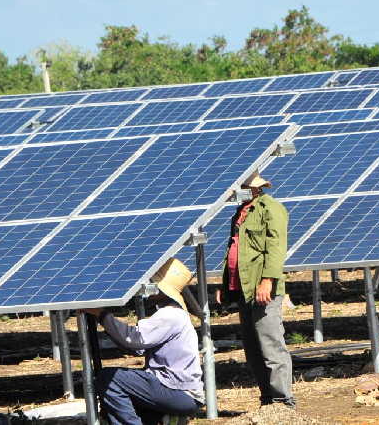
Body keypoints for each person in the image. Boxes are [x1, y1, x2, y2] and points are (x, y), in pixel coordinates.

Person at [83, 257, 204, 425]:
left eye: (153, 282)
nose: (148, 286)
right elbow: (136, 349)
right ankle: (163, 419)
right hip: (180, 392)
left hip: (178, 392)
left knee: (108, 378)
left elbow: (134, 339)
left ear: (163, 289)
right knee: (125, 390)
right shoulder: (173, 314)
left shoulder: (170, 316)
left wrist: (102, 315)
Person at [215, 171, 294, 407]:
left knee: (270, 345)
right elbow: (235, 252)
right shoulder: (240, 213)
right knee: (253, 348)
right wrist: (224, 285)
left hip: (263, 290)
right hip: (244, 290)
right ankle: (267, 400)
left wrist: (267, 280)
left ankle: (284, 402)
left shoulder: (271, 209)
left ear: (255, 188)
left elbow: (276, 248)